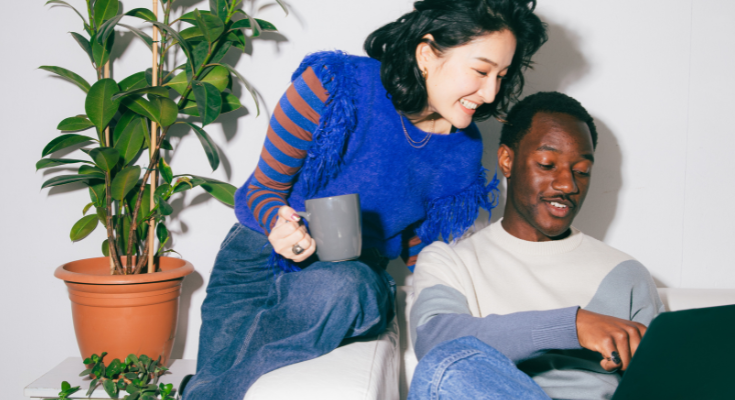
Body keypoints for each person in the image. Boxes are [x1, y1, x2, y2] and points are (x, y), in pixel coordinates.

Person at [182, 1, 548, 399]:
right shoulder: (335, 86)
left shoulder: (463, 151)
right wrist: (277, 222)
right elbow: (259, 191)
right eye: (480, 71)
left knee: (343, 286)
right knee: (220, 373)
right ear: (426, 54)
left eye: (502, 75)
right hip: (255, 264)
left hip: (348, 281)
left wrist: (465, 303)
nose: (492, 91)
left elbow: (422, 251)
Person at [408, 91, 665, 400]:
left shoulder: (625, 274)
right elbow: (436, 342)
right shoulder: (450, 262)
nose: (568, 185)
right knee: (446, 369)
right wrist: (572, 326)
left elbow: (659, 384)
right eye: (547, 164)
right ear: (507, 160)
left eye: (581, 171)